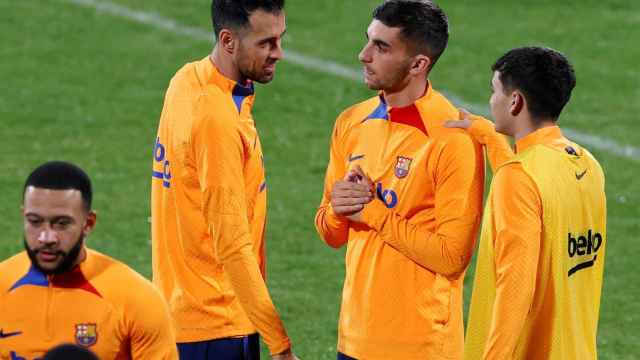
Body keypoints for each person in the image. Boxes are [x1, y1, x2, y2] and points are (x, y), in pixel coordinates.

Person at [314, 1, 485, 358]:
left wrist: (372, 212)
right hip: (354, 340)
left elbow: (452, 258)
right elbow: (330, 233)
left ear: (419, 64)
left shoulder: (453, 139)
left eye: (381, 47)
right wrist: (338, 209)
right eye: (368, 41)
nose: (363, 55)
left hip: (421, 347)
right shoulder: (351, 122)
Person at [151, 1, 298, 359]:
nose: (278, 53)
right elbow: (231, 244)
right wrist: (279, 345)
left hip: (178, 313)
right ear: (228, 40)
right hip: (217, 326)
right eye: (266, 43)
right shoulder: (217, 122)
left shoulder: (186, 79)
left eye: (280, 39)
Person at [445, 46, 607, 359]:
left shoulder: (518, 178)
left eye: (494, 91)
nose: (491, 100)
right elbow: (533, 189)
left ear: (515, 101)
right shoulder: (587, 165)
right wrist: (492, 139)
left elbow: (515, 290)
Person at [0, 161, 178, 360]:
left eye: (61, 224)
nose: (46, 237)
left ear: (88, 223)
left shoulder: (136, 300)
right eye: (35, 221)